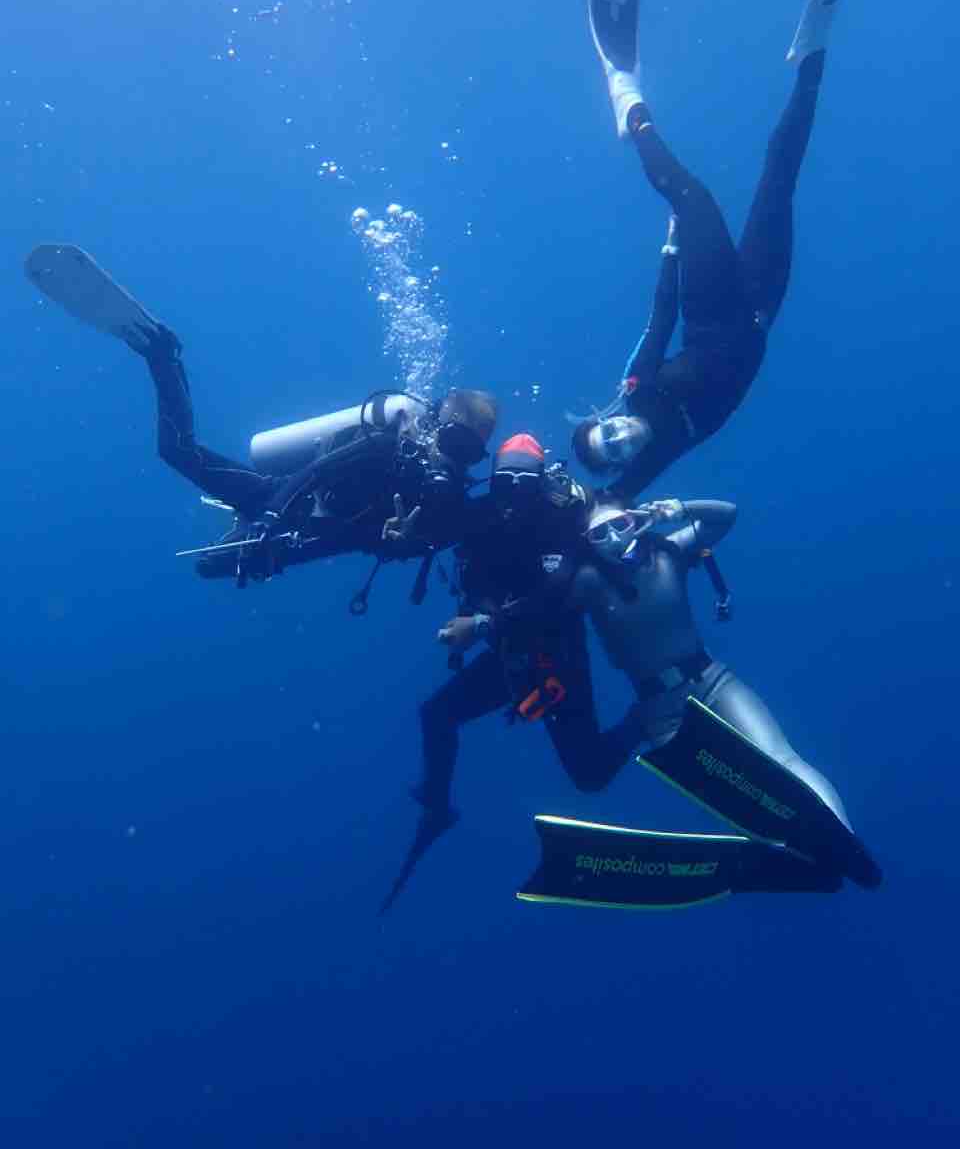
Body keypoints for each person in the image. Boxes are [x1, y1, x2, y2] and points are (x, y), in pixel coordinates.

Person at [573, 0, 870, 500]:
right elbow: (615, 501)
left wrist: (671, 248)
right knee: (781, 172)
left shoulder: (638, 388)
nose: (623, 439)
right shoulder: (659, 456)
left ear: (608, 418)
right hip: (761, 302)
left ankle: (626, 98)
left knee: (693, 197)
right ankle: (818, 30)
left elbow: (660, 319)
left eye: (609, 432)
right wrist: (599, 512)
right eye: (615, 451)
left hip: (709, 311)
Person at [24, 244, 497, 592]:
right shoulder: (389, 445)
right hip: (280, 498)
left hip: (311, 537)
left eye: (470, 452)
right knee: (174, 451)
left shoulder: (448, 505)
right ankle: (162, 354)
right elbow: (316, 471)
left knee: (208, 567)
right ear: (436, 426)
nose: (457, 458)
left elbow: (393, 546)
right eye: (454, 441)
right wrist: (267, 519)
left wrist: (398, 540)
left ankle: (244, 526)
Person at [520, 497, 882, 899]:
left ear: (635, 520)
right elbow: (541, 608)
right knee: (735, 796)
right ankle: (798, 857)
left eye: (620, 524)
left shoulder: (669, 551)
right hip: (661, 712)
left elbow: (727, 515)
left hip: (714, 682)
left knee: (782, 760)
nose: (613, 538)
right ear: (588, 542)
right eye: (599, 533)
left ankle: (845, 840)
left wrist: (679, 507)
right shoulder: (588, 580)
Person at [379, 434, 651, 912]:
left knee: (589, 774)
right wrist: (402, 542)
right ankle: (437, 810)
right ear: (493, 481)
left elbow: (556, 594)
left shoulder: (562, 519)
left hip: (557, 660)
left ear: (541, 482)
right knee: (435, 715)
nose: (513, 495)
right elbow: (438, 543)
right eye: (504, 483)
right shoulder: (481, 516)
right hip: (510, 658)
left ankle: (648, 717)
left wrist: (485, 623)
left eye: (524, 484)